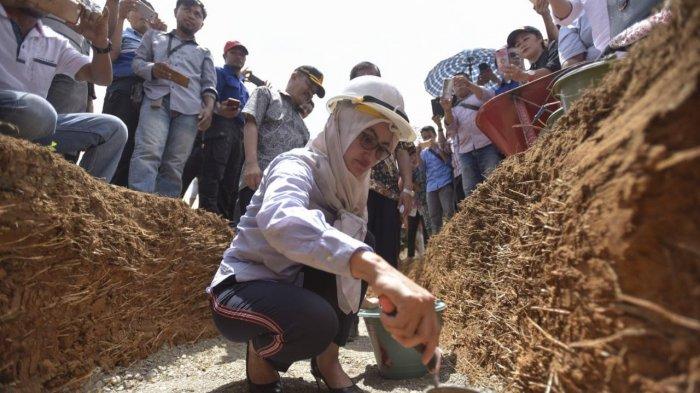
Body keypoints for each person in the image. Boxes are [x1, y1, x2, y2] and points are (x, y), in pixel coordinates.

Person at [208, 76, 440, 393]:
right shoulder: (295, 164)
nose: (371, 155)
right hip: (242, 291)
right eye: (366, 138)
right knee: (317, 320)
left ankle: (328, 363)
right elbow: (282, 219)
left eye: (383, 149)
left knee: (361, 240)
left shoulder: (352, 190)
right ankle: (260, 360)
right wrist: (379, 270)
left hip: (292, 283)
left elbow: (345, 262)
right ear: (343, 124)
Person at [0, 0, 128, 181]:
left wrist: (99, 41)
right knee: (41, 111)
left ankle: (82, 199)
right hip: (20, 111)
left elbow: (102, 78)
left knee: (114, 129)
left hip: (39, 123)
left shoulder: (53, 40)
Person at [129, 0, 217, 197]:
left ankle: (164, 214)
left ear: (202, 24)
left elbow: (209, 85)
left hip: (189, 111)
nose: (191, 16)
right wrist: (153, 69)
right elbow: (137, 63)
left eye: (197, 14)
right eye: (187, 10)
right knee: (148, 152)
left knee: (175, 164)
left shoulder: (204, 52)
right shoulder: (153, 36)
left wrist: (209, 108)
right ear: (176, 11)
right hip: (156, 100)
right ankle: (138, 203)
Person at [348, 61, 415, 268]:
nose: (370, 82)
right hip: (352, 187)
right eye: (363, 78)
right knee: (355, 246)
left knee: (387, 248)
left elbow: (402, 149)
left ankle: (389, 296)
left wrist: (408, 189)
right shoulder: (345, 108)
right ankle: (357, 299)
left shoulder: (393, 110)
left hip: (388, 191)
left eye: (374, 78)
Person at [238, 65, 324, 216]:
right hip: (256, 180)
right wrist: (251, 164)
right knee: (247, 231)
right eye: (310, 85)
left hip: (281, 193)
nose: (311, 93)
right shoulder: (266, 94)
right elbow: (251, 124)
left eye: (315, 92)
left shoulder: (304, 129)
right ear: (294, 76)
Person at [181, 40, 250, 215]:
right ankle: (208, 216)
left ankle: (221, 220)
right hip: (218, 128)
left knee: (230, 180)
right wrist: (219, 109)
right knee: (212, 175)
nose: (239, 56)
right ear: (225, 55)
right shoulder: (218, 72)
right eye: (234, 52)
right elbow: (205, 97)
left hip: (237, 135)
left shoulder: (244, 88)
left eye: (242, 54)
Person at [104, 0, 166, 187]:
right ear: (130, 15)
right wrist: (120, 17)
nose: (143, 16)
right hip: (123, 91)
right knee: (114, 144)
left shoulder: (158, 42)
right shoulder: (123, 33)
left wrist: (163, 36)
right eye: (137, 10)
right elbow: (111, 55)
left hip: (149, 98)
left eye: (149, 13)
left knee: (136, 151)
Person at [441, 74, 501, 197]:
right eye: (455, 85)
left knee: (496, 180)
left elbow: (490, 96)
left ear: (469, 82)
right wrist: (447, 110)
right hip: (465, 153)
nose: (459, 86)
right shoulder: (453, 109)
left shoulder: (479, 94)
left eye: (462, 82)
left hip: (487, 146)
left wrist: (468, 84)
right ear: (453, 91)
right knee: (470, 191)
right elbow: (451, 129)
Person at [419, 126, 455, 234]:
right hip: (431, 186)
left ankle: (453, 236)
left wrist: (438, 149)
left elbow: (448, 162)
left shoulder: (442, 145)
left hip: (445, 182)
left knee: (449, 212)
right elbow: (422, 170)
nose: (427, 140)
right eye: (424, 138)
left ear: (434, 135)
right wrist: (417, 153)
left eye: (429, 136)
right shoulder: (423, 153)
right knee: (434, 216)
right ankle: (437, 242)